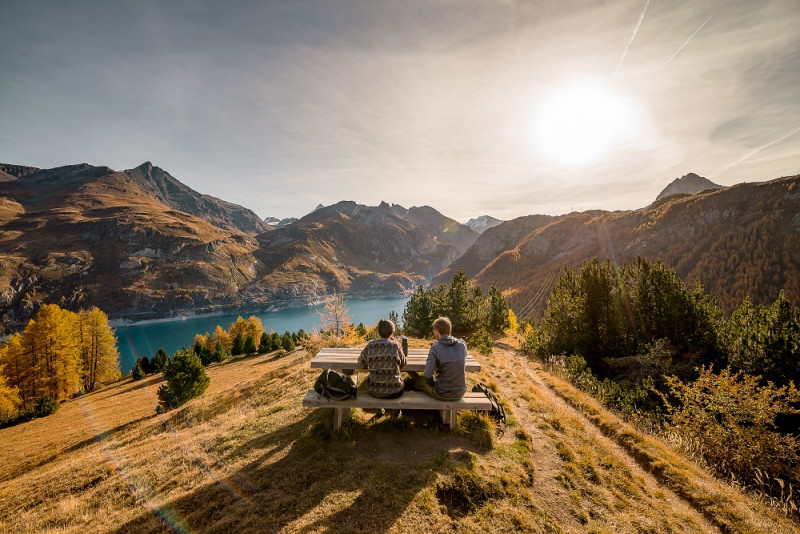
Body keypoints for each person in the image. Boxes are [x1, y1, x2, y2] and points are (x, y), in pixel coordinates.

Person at [408, 316, 466, 401]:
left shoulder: (435, 348)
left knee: (419, 380)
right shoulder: (462, 345)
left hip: (442, 393)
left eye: (434, 330)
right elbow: (460, 342)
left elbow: (427, 375)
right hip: (460, 392)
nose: (434, 332)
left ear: (437, 331)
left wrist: (432, 384)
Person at [357, 318, 406, 399]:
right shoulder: (396, 345)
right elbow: (403, 363)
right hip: (395, 391)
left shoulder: (370, 345)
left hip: (375, 391)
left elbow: (361, 363)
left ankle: (380, 410)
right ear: (392, 332)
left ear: (379, 331)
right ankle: (394, 411)